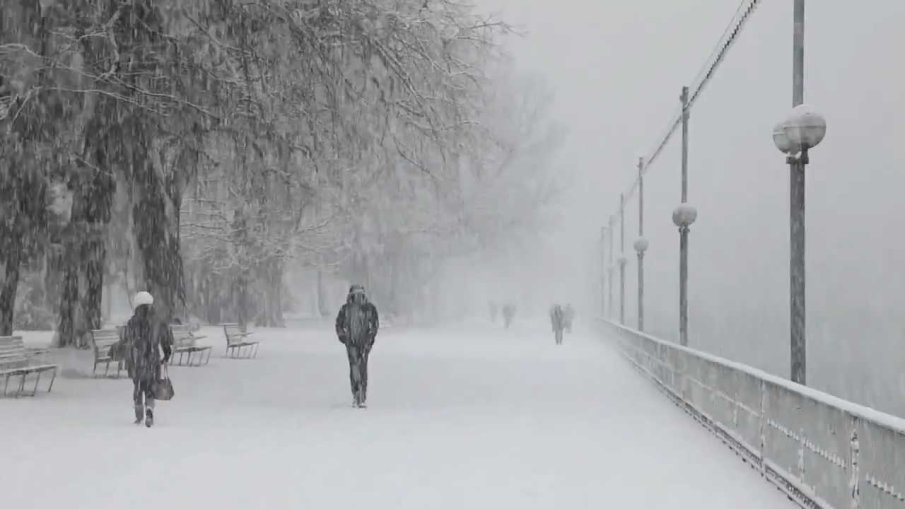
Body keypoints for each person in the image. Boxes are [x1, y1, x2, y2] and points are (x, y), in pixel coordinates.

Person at [122, 291, 173, 428]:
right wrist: (166, 351)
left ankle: (139, 416)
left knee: (138, 387)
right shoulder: (157, 321)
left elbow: (127, 340)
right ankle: (149, 409)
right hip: (152, 358)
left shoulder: (132, 322)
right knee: (150, 387)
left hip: (138, 359)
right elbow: (166, 338)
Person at [335, 285, 379, 408]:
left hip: (364, 343)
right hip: (351, 343)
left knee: (361, 368)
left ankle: (361, 395)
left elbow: (374, 325)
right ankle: (357, 394)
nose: (358, 298)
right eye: (356, 295)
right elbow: (339, 324)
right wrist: (343, 336)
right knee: (355, 367)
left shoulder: (369, 309)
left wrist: (370, 338)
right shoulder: (346, 309)